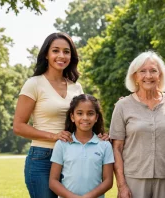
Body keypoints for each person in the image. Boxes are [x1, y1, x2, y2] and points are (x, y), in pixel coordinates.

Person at [13, 32, 84, 198]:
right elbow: (18, 126)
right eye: (56, 51)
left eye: (66, 51)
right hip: (42, 158)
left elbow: (83, 120)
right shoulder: (34, 84)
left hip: (71, 157)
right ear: (46, 54)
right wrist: (54, 136)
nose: (61, 56)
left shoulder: (76, 87)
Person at [110, 51, 165, 198]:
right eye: (142, 71)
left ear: (160, 75)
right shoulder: (122, 105)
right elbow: (116, 148)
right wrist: (121, 185)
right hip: (134, 179)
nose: (148, 76)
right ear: (135, 76)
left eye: (153, 71)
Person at [49, 94, 114, 197]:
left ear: (96, 117)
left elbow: (108, 181)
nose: (85, 118)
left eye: (90, 113)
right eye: (79, 113)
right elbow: (53, 181)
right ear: (72, 117)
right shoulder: (62, 144)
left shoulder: (105, 145)